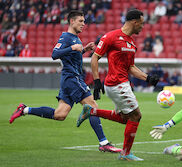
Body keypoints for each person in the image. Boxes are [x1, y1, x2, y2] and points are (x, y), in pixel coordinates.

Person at [9, 10, 121, 153]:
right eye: (80, 21)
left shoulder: (76, 38)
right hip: (73, 78)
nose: (83, 24)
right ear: (71, 21)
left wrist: (83, 49)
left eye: (84, 21)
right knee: (93, 106)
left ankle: (24, 109)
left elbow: (71, 56)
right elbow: (54, 54)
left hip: (68, 80)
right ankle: (104, 143)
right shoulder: (67, 37)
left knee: (60, 114)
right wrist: (73, 47)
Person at [76, 9, 159, 161]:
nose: (142, 27)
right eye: (141, 23)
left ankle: (91, 111)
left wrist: (148, 78)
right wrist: (96, 82)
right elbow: (94, 58)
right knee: (136, 116)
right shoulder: (110, 37)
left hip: (122, 83)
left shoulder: (132, 44)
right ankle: (126, 154)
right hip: (116, 84)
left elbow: (131, 67)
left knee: (125, 118)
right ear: (134, 22)